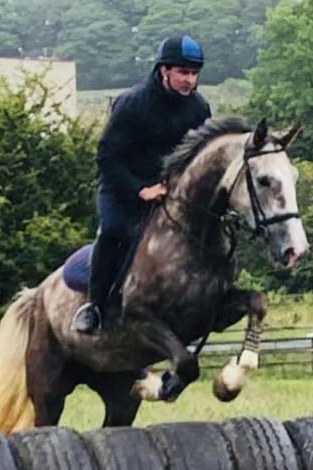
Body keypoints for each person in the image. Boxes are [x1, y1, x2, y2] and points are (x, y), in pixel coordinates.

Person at [71, 34, 213, 333]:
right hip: (121, 187)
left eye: (194, 73)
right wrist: (140, 190)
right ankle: (94, 306)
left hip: (168, 191)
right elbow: (107, 158)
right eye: (183, 72)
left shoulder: (199, 108)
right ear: (164, 70)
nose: (190, 80)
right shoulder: (132, 104)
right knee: (113, 231)